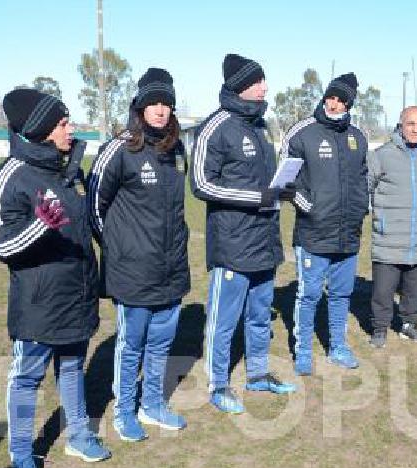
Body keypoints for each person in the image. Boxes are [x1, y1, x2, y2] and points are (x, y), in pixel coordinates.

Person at [0, 88, 110, 468]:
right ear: (39, 130)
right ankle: (22, 456)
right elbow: (2, 247)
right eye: (61, 123)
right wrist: (41, 225)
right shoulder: (7, 178)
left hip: (77, 293)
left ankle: (78, 435)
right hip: (38, 302)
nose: (69, 128)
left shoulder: (66, 172)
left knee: (73, 367)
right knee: (27, 378)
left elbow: (86, 220)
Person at [87, 67, 191, 440]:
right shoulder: (121, 148)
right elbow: (93, 207)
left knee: (162, 342)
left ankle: (152, 405)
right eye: (154, 103)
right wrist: (118, 249)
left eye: (167, 103)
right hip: (133, 270)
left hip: (171, 267)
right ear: (140, 106)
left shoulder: (177, 150)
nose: (161, 110)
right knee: (131, 345)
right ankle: (124, 411)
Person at [191, 53, 297, 414]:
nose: (265, 87)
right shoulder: (215, 126)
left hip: (265, 240)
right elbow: (201, 183)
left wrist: (281, 186)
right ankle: (218, 384)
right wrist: (258, 197)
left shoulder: (261, 126)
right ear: (239, 86)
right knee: (223, 321)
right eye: (257, 82)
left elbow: (263, 182)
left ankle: (257, 374)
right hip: (233, 244)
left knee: (259, 314)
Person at [280, 73, 369, 374]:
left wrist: (361, 210)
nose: (335, 103)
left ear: (349, 103)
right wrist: (310, 209)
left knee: (342, 294)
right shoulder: (302, 132)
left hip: (348, 234)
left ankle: (338, 347)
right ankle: (303, 350)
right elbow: (284, 180)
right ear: (324, 96)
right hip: (313, 233)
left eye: (342, 99)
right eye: (331, 96)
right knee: (309, 295)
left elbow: (363, 179)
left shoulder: (358, 136)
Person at [366, 106, 417, 348]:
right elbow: (367, 186)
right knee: (383, 291)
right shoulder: (381, 155)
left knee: (414, 289)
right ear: (400, 125)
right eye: (410, 123)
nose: (415, 129)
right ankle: (380, 328)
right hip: (388, 237)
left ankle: (409, 325)